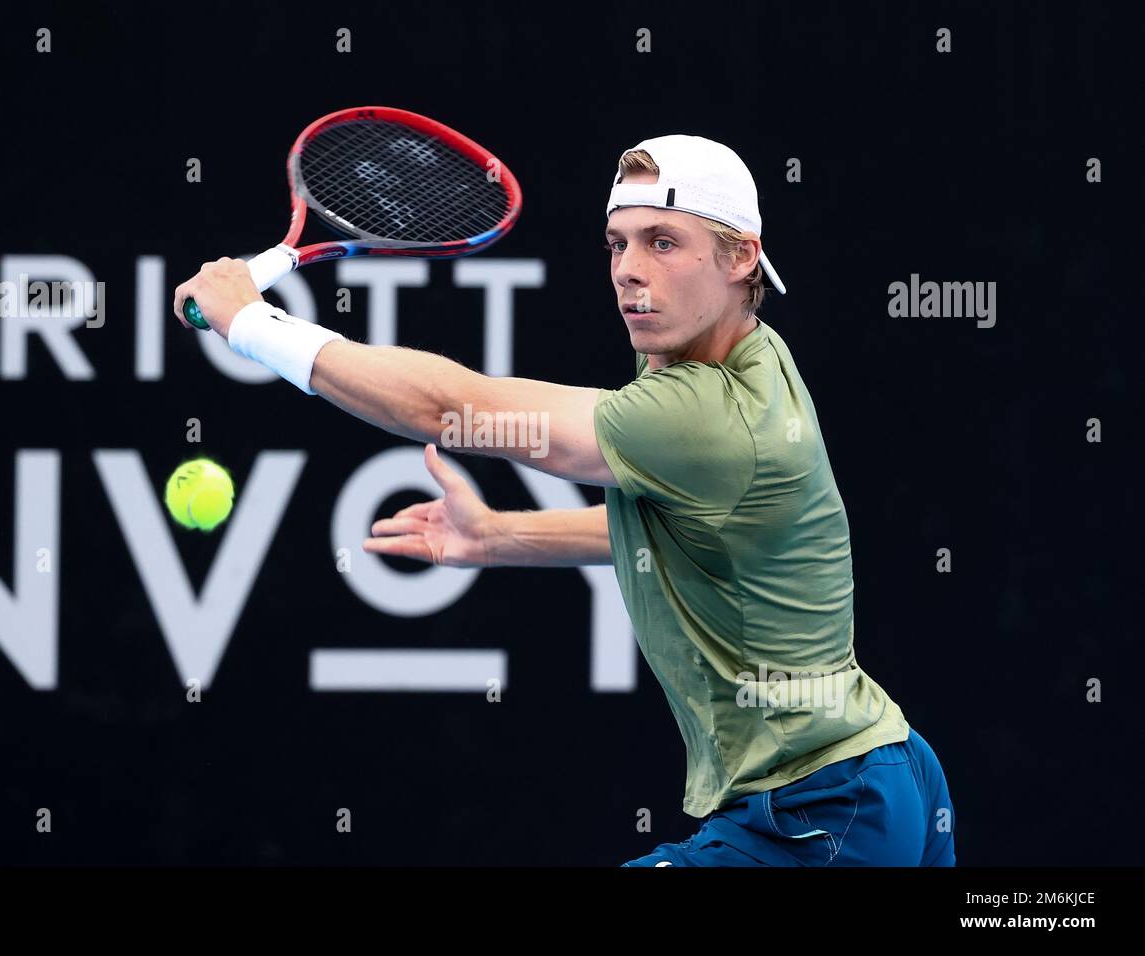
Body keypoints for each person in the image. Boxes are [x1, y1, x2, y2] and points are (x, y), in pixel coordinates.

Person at [173, 134, 955, 867]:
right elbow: (682, 531)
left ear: (740, 257)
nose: (627, 268)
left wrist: (252, 322)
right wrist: (497, 536)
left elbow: (451, 408)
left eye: (663, 242)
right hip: (884, 774)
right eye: (619, 243)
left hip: (823, 809)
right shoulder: (741, 347)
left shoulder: (707, 416)